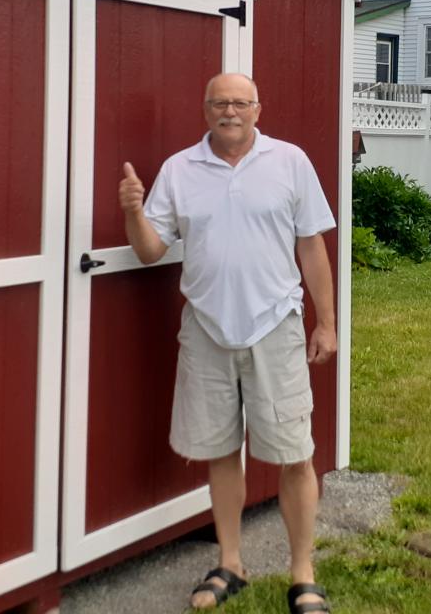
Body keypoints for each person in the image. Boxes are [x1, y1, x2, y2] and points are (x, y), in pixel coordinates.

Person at [118, 73, 336, 614]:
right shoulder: (179, 169)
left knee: (294, 454)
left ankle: (302, 574)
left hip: (274, 324)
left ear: (258, 109)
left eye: (240, 102)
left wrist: (326, 322)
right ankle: (231, 561)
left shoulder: (289, 162)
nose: (230, 111)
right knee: (219, 451)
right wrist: (132, 211)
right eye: (220, 103)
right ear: (206, 110)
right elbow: (150, 250)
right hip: (207, 328)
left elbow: (310, 246)